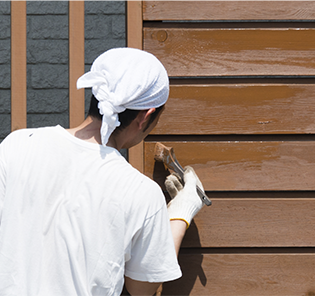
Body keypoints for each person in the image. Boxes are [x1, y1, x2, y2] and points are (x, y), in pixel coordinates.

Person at [0, 48, 206, 296]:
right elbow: (142, 288)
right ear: (146, 116)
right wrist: (179, 215)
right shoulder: (141, 192)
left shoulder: (17, 144)